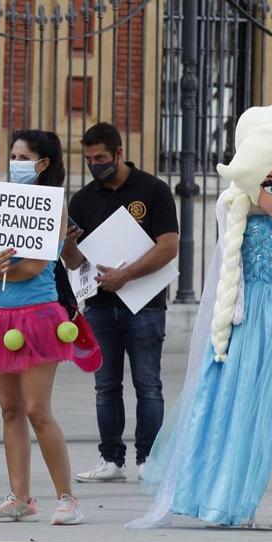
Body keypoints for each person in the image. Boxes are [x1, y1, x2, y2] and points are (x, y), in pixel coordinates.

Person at [129, 104, 272, 529]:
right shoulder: (238, 209)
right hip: (244, 323)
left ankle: (239, 499)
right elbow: (232, 235)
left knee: (266, 417)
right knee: (230, 407)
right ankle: (218, 499)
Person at [0, 130, 83, 525]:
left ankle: (67, 498)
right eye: (12, 154)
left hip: (37, 316)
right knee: (10, 409)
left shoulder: (54, 206)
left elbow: (36, 265)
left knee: (37, 409)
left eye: (24, 156)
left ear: (43, 164)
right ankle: (19, 497)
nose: (15, 162)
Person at [62, 122, 179, 483]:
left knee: (148, 383)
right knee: (105, 385)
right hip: (99, 305)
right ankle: (111, 459)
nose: (95, 164)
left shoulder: (153, 190)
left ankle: (149, 460)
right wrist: (66, 242)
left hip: (144, 304)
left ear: (118, 153)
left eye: (100, 158)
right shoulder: (83, 199)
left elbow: (169, 246)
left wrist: (125, 275)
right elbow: (73, 262)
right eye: (88, 159)